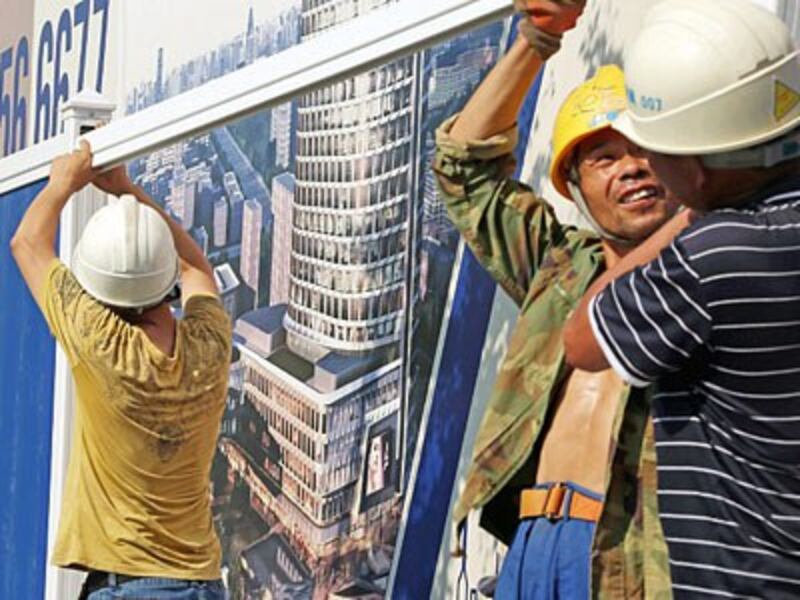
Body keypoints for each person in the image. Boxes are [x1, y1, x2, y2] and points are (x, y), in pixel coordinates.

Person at [434, 0, 680, 597]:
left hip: (637, 561)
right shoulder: (560, 269)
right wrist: (539, 36)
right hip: (533, 543)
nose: (634, 168)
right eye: (604, 157)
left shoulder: (712, 266)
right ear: (573, 183)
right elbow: (464, 172)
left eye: (647, 147)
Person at [564, 0, 800, 597]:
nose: (642, 168)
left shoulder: (715, 252)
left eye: (649, 151)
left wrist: (692, 215)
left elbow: (584, 341)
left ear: (692, 166)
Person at [10, 142, 231, 599]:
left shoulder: (101, 342)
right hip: (203, 583)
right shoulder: (209, 343)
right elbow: (195, 269)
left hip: (127, 587)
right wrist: (127, 191)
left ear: (98, 288)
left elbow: (27, 241)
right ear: (163, 278)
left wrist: (63, 183)